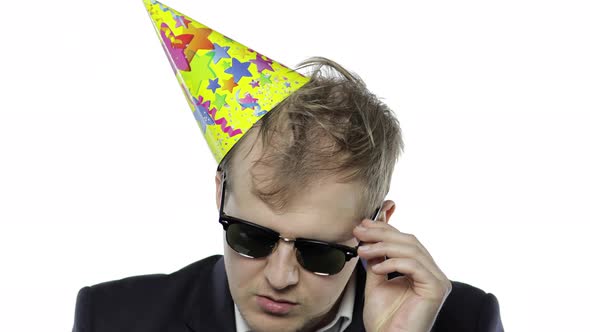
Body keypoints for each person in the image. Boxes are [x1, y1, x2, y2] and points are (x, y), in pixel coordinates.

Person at [73, 1, 504, 331]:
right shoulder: (113, 318)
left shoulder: (465, 319)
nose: (280, 278)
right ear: (220, 193)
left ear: (379, 225)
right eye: (251, 237)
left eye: (321, 252)